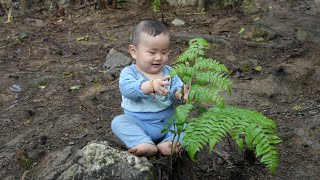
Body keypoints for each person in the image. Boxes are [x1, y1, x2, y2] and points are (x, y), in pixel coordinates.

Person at [111, 19, 189, 157]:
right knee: (118, 122)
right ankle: (143, 142)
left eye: (164, 52)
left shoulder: (169, 72)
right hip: (140, 123)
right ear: (134, 51)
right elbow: (128, 90)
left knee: (189, 125)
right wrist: (150, 86)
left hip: (168, 121)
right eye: (152, 53)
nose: (159, 57)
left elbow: (177, 88)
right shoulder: (129, 73)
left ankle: (168, 142)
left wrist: (180, 94)